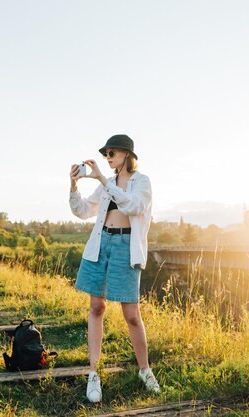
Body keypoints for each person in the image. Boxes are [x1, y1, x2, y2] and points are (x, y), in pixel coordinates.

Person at [69, 134, 160, 403]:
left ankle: (145, 370)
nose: (107, 158)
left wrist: (102, 180)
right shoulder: (106, 185)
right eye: (106, 154)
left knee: (131, 314)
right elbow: (83, 210)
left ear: (127, 155)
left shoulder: (141, 181)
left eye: (112, 153)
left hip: (125, 246)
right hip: (101, 242)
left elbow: (134, 206)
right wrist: (73, 185)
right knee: (97, 307)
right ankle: (94, 373)